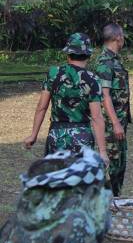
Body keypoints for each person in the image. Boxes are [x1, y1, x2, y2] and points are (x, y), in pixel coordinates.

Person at [23, 33, 108, 166]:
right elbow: (97, 117)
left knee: (56, 177)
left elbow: (42, 107)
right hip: (82, 138)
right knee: (79, 177)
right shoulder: (92, 79)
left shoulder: (53, 73)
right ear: (88, 55)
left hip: (56, 136)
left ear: (68, 54)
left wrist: (34, 135)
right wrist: (102, 152)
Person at [93, 23, 131, 197]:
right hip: (110, 125)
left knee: (119, 164)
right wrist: (115, 123)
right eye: (122, 35)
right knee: (111, 166)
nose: (123, 39)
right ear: (117, 38)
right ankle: (105, 203)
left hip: (119, 122)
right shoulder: (105, 62)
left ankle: (115, 201)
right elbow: (104, 95)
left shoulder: (114, 60)